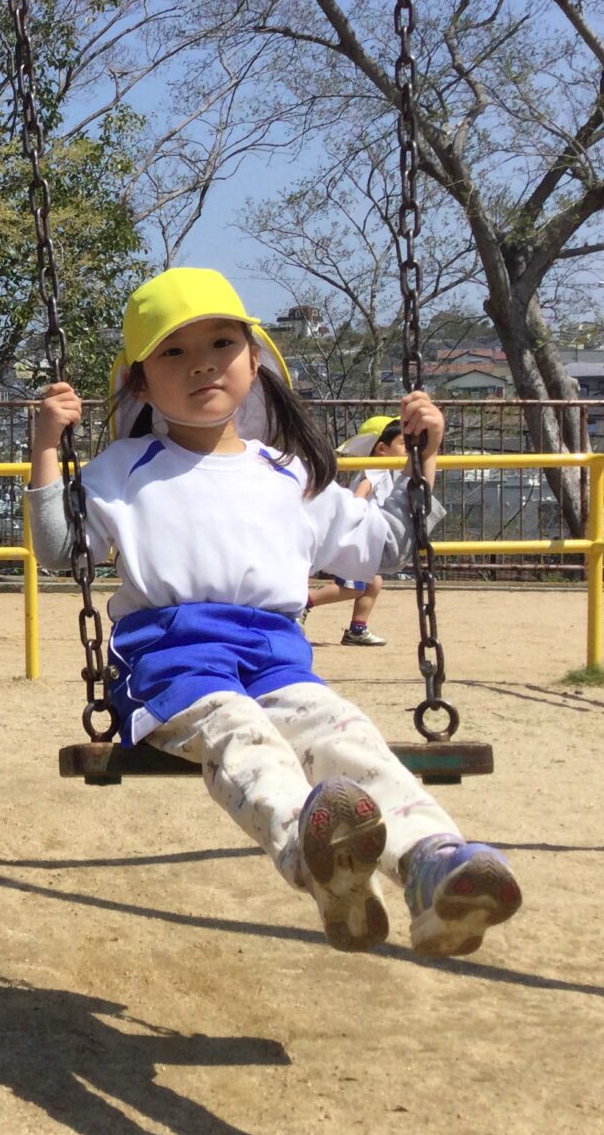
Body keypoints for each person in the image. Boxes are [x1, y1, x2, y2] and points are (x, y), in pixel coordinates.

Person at [31, 268, 520, 956]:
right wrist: (47, 448)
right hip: (174, 662)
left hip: (277, 660)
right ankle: (313, 855)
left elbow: (384, 545)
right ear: (140, 382)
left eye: (222, 343)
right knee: (241, 734)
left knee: (346, 736)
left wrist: (424, 462)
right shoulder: (122, 468)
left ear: (254, 361)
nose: (201, 362)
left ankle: (433, 868)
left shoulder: (291, 474)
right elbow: (58, 549)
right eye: (173, 351)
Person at [300, 416, 405, 646]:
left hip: (364, 539)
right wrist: (353, 517)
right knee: (352, 588)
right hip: (357, 538)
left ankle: (357, 629)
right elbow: (360, 493)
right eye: (402, 443)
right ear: (381, 449)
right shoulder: (375, 471)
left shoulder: (384, 471)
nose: (407, 449)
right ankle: (304, 602)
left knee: (373, 584)